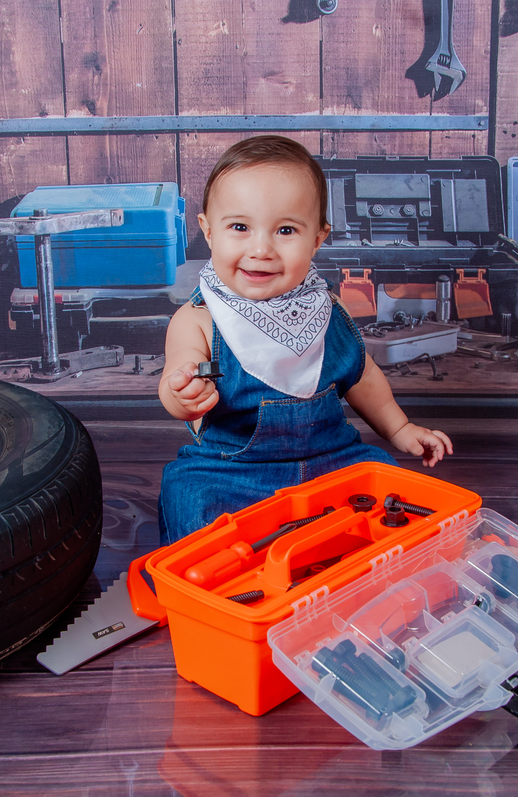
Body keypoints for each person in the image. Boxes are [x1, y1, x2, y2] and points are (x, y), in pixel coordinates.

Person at [157, 135, 453, 544]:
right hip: (231, 468)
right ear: (208, 231)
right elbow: (178, 372)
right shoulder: (198, 318)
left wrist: (400, 428)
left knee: (391, 488)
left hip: (332, 457)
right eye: (240, 227)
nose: (261, 249)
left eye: (286, 230)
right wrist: (183, 394)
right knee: (189, 495)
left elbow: (363, 376)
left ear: (317, 238)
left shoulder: (327, 308)